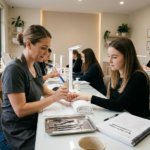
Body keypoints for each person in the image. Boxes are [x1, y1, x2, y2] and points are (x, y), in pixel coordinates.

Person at [0, 25, 71, 150]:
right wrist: (54, 98)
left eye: (48, 48)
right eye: (43, 48)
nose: (46, 53)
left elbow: (45, 91)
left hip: (33, 120)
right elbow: (20, 110)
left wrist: (63, 96)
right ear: (28, 44)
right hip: (18, 129)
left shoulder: (36, 65)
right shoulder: (14, 70)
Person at [68, 38, 150, 118]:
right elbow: (112, 101)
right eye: (109, 56)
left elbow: (119, 105)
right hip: (122, 118)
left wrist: (88, 97)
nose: (109, 61)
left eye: (114, 57)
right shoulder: (116, 75)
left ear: (127, 57)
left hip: (138, 122)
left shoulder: (139, 77)